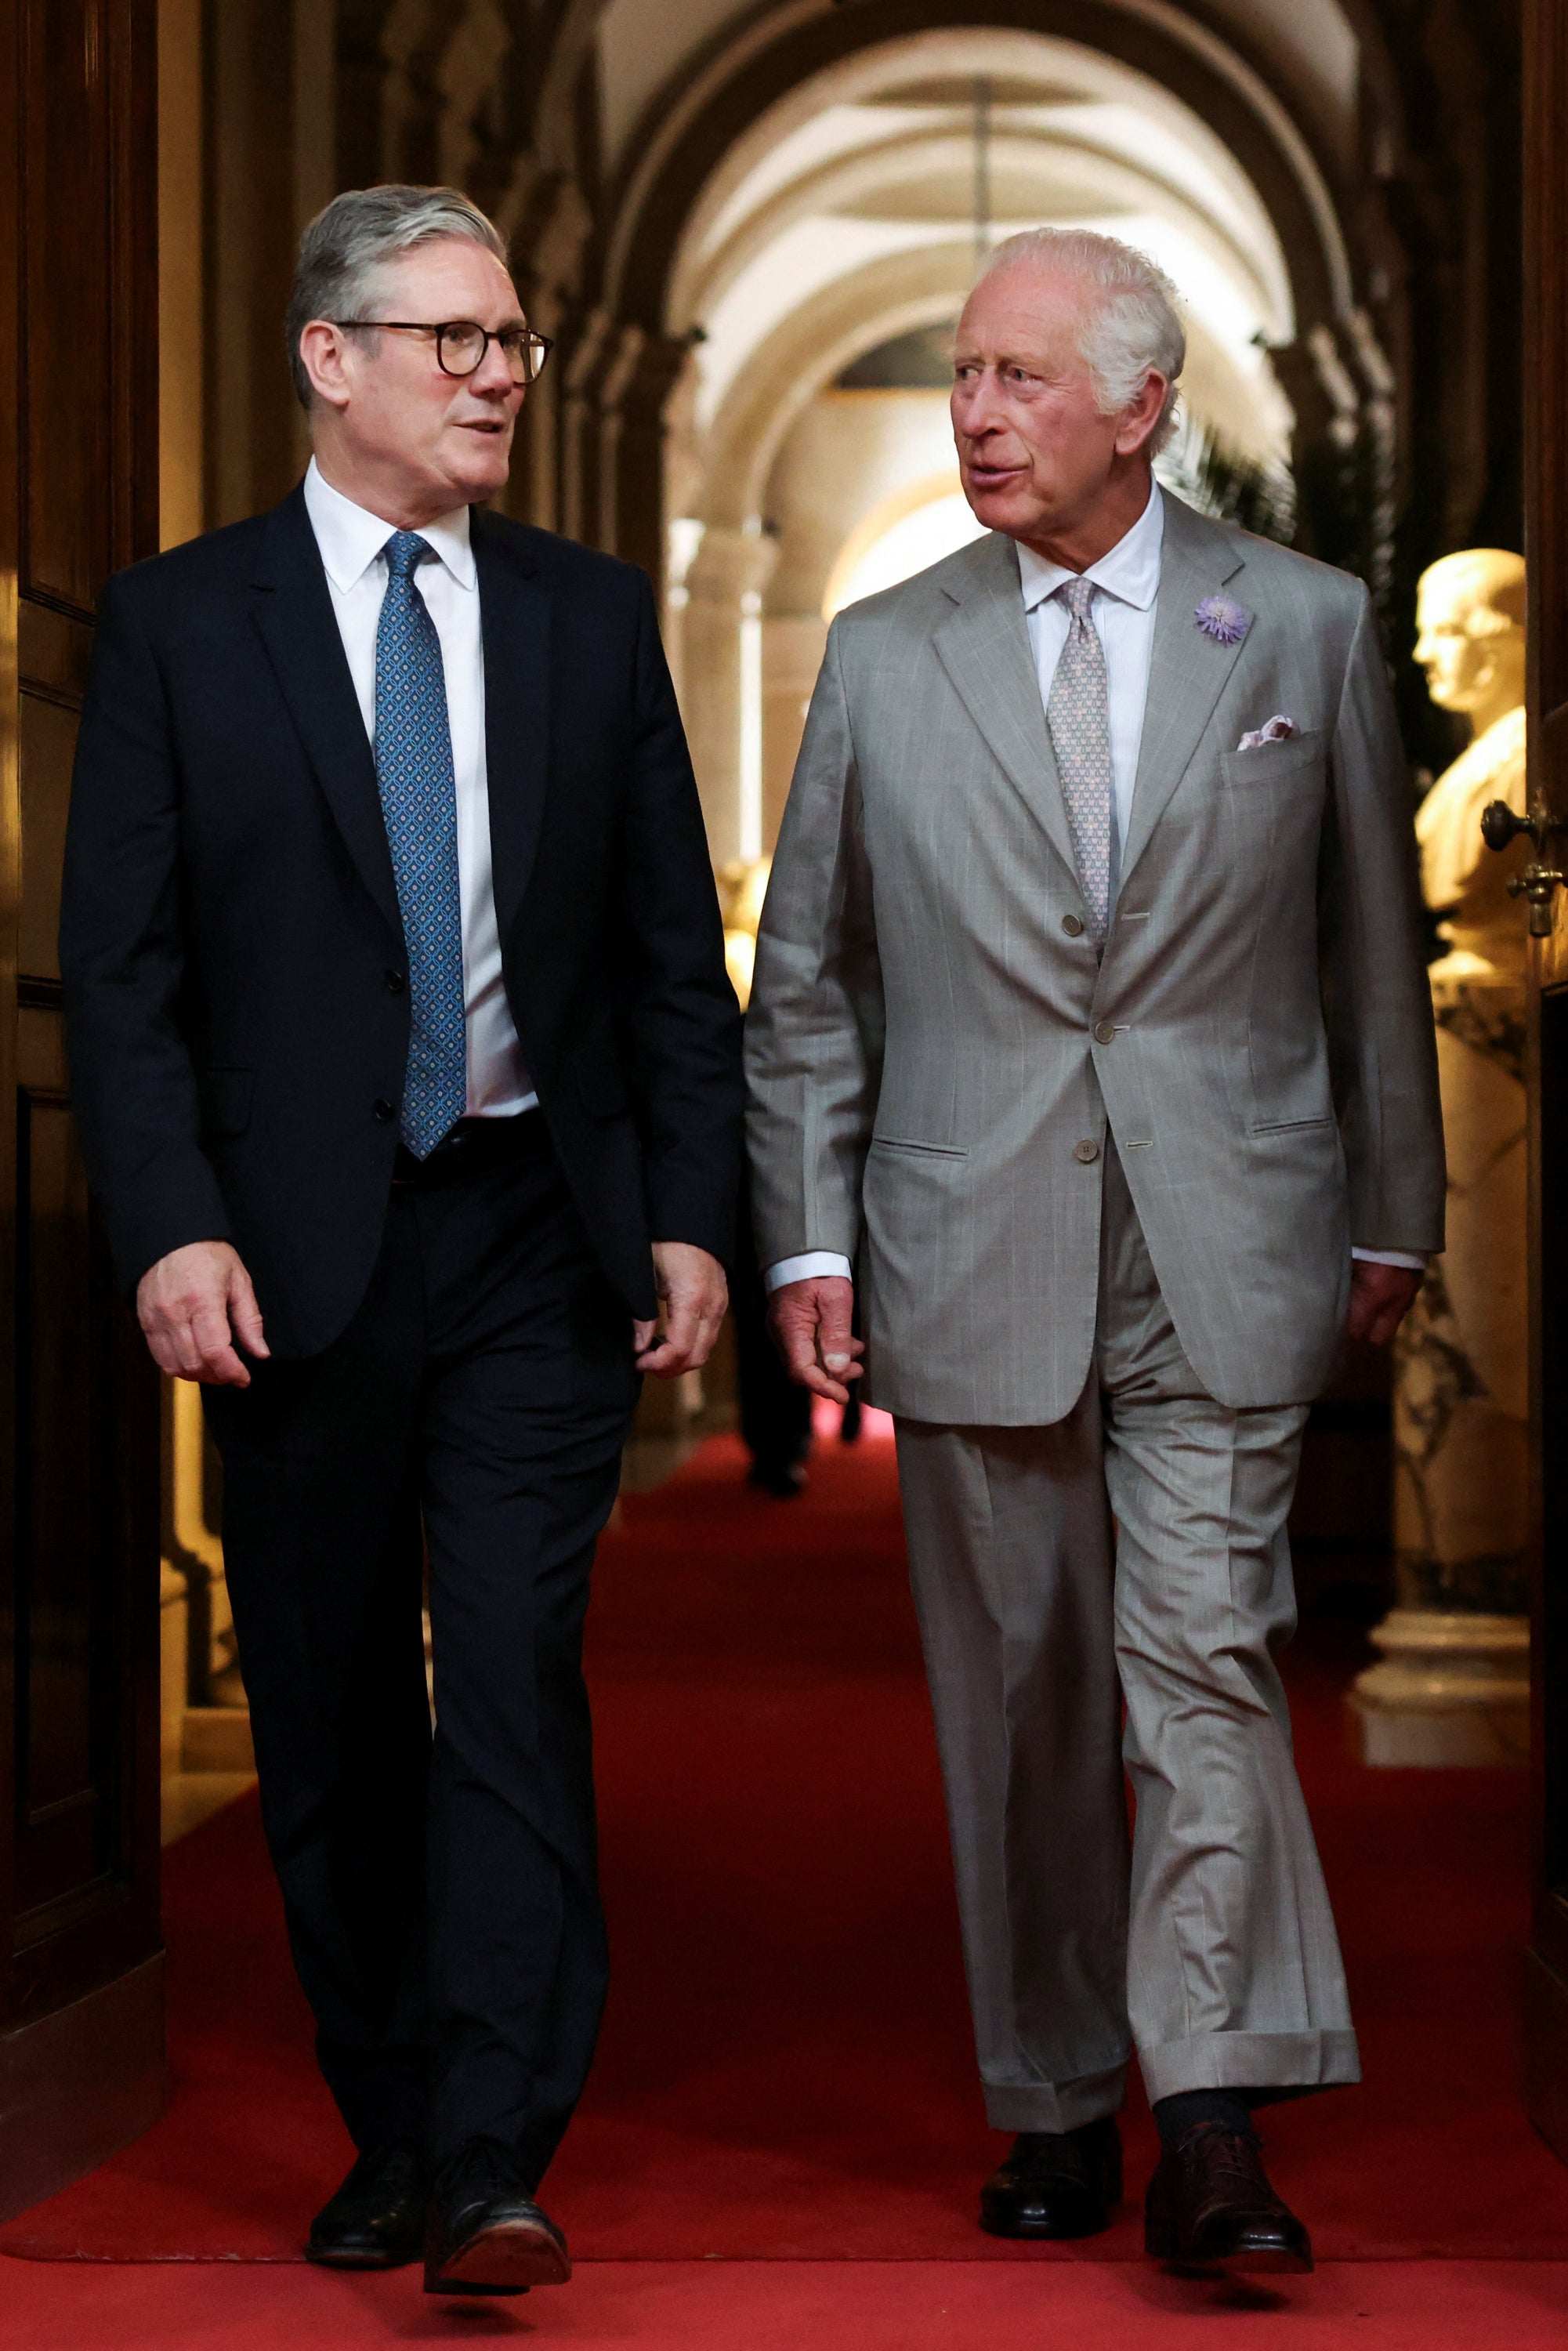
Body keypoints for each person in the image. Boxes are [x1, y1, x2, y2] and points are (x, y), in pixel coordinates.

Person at [60, 184, 742, 2298]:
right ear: (326, 357)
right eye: (454, 337)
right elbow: (124, 966)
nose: (502, 373)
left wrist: (699, 1220)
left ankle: (491, 2159)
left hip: (537, 1225)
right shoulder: (186, 623)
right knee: (332, 1696)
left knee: (515, 1683)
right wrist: (169, 1224)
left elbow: (658, 963)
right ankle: (388, 2123)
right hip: (294, 1257)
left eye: (517, 340)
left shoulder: (585, 611)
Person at [745, 227, 1443, 2274]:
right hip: (967, 1237)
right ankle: (1053, 2095)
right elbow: (807, 981)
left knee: (1199, 1668)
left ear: (1141, 406)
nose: (976, 410)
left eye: (1021, 377)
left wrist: (1392, 1202)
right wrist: (804, 1236)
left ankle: (1208, 2113)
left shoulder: (1299, 627)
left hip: (1226, 1229)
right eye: (962, 375)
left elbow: (1367, 954)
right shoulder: (882, 650)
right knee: (1025, 1692)